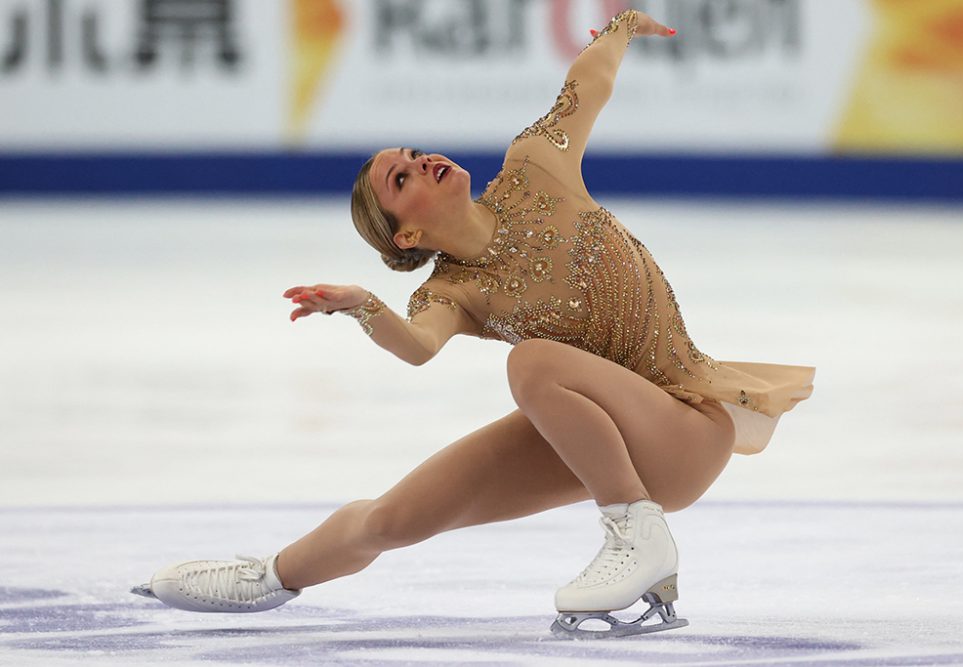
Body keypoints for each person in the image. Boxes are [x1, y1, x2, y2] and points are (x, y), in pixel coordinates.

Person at [135, 9, 815, 638]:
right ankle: (271, 574)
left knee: (531, 363)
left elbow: (583, 90)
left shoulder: (535, 169)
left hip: (682, 429)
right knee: (394, 517)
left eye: (409, 154)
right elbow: (417, 346)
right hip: (601, 428)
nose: (419, 160)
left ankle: (635, 530)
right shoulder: (451, 292)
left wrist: (617, 30)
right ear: (407, 235)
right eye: (401, 179)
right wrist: (363, 305)